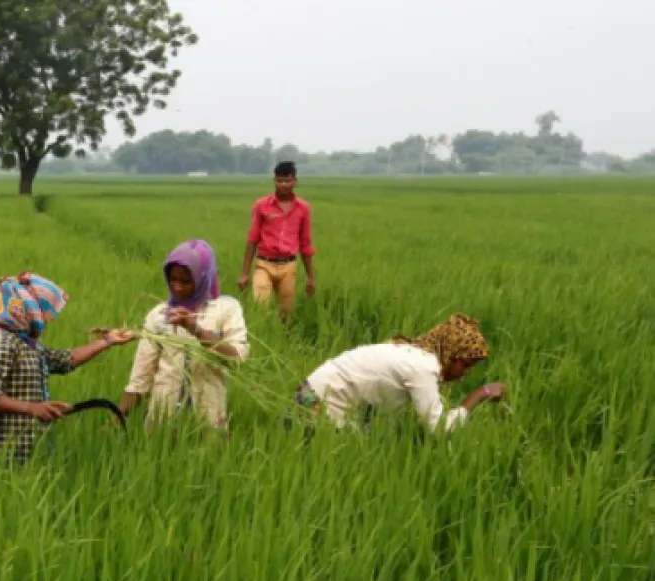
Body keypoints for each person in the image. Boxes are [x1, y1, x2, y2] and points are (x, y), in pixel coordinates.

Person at [0, 272, 136, 463]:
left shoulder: (26, 343)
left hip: (33, 449)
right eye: (40, 312)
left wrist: (107, 341)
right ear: (23, 308)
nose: (44, 320)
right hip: (6, 452)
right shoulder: (0, 342)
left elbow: (63, 360)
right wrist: (33, 408)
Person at [296, 313, 507, 433]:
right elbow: (439, 429)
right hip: (315, 403)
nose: (466, 373)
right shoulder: (422, 368)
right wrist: (480, 394)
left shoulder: (414, 354)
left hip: (310, 392)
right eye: (465, 364)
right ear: (450, 353)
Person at [120, 240, 250, 430]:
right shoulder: (159, 315)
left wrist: (195, 330)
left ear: (203, 277)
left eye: (186, 281)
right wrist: (117, 416)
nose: (177, 287)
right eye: (173, 279)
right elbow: (141, 377)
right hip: (162, 420)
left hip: (208, 421)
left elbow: (237, 357)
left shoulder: (226, 310)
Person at [239, 161, 316, 322]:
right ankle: (264, 335)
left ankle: (283, 338)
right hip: (264, 264)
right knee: (260, 307)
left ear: (295, 181)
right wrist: (245, 273)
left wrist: (311, 277)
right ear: (274, 181)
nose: (283, 185)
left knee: (286, 313)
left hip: (288, 266)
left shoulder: (303, 208)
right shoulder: (261, 206)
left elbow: (305, 243)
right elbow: (253, 239)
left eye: (287, 181)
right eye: (279, 180)